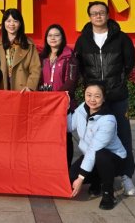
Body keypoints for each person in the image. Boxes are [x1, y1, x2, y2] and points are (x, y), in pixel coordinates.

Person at [74, 1, 135, 196]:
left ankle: (126, 176)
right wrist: (90, 87)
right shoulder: (83, 40)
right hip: (95, 98)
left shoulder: (121, 38)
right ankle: (99, 179)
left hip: (117, 96)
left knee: (123, 137)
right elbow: (80, 66)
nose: (98, 16)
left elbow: (129, 63)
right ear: (89, 17)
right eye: (94, 13)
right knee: (93, 139)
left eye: (101, 12)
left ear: (108, 15)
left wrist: (118, 82)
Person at [69, 83, 127, 210]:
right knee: (69, 179)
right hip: (91, 157)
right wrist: (65, 109)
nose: (92, 99)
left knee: (101, 155)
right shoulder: (82, 108)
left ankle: (108, 194)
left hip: (113, 159)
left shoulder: (108, 120)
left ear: (104, 98)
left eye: (97, 96)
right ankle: (96, 181)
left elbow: (93, 150)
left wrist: (81, 178)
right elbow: (69, 126)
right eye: (88, 95)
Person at [39, 24, 78, 166]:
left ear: (62, 38)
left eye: (56, 35)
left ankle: (66, 168)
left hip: (62, 104)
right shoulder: (42, 57)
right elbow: (38, 79)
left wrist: (57, 98)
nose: (53, 38)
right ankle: (50, 166)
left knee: (65, 137)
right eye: (50, 36)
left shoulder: (70, 57)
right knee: (47, 137)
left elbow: (71, 81)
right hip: (45, 104)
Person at [0, 8, 41, 91]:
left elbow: (35, 68)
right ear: (4, 23)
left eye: (15, 21)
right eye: (8, 21)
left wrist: (30, 86)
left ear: (20, 23)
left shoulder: (29, 44)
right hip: (2, 89)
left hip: (22, 90)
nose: (11, 24)